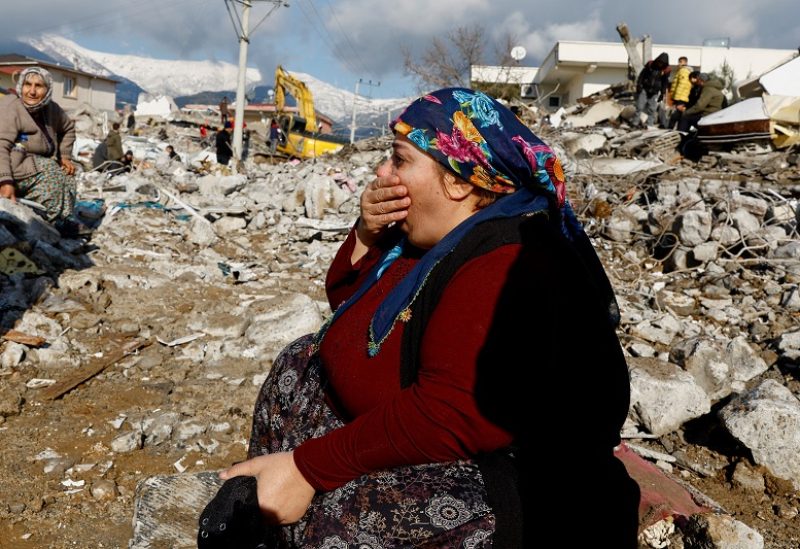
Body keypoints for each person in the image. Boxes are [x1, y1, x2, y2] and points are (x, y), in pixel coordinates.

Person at [209, 88, 639, 547]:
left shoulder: (513, 261)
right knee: (298, 365)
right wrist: (367, 233)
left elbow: (456, 409)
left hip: (518, 482)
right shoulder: (437, 238)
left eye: (399, 160)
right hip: (424, 429)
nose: (381, 172)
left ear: (458, 180)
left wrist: (307, 468)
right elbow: (349, 305)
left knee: (343, 521)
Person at [0, 66, 77, 225]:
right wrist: (5, 181)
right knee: (51, 172)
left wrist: (65, 156)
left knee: (67, 175)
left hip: (34, 163)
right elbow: (0, 145)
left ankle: (64, 218)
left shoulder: (51, 108)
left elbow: (68, 129)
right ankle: (49, 222)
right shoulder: (10, 107)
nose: (32, 91)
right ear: (21, 86)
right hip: (12, 165)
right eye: (28, 84)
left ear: (48, 89)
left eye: (39, 86)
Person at [634, 52, 670, 128]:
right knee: (639, 107)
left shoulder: (665, 71)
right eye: (659, 62)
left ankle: (649, 125)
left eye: (662, 63)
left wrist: (662, 94)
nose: (660, 64)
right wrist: (639, 85)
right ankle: (635, 123)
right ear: (657, 60)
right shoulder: (650, 65)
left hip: (654, 92)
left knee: (652, 109)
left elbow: (665, 82)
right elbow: (642, 75)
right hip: (645, 89)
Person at [667, 57, 692, 129]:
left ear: (685, 63)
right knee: (679, 115)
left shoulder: (683, 70)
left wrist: (675, 97)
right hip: (682, 96)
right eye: (679, 62)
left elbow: (682, 84)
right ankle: (678, 130)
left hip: (681, 97)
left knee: (675, 115)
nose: (679, 63)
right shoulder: (682, 70)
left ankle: (670, 130)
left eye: (681, 62)